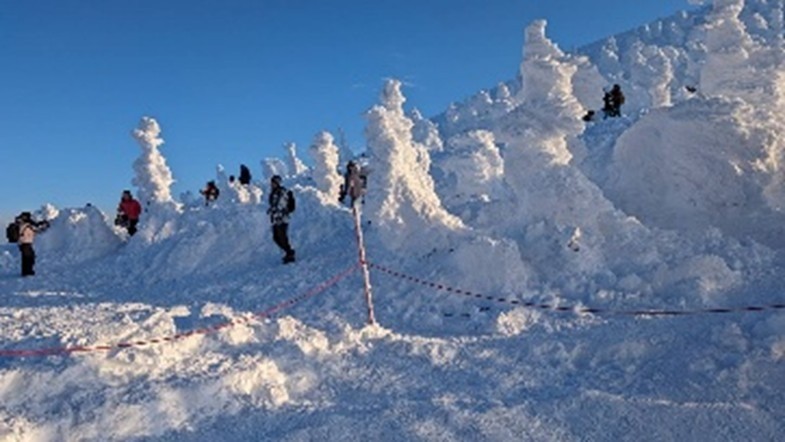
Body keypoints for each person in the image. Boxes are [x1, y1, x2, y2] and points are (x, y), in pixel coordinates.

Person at [267, 175, 296, 264]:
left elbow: (289, 205)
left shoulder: (283, 192)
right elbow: (273, 205)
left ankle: (290, 254)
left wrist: (285, 211)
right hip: (276, 218)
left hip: (282, 218)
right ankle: (288, 251)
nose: (272, 184)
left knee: (282, 236)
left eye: (273, 182)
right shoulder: (273, 193)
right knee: (276, 238)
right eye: (271, 182)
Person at [15, 212, 49, 277]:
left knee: (26, 258)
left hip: (22, 243)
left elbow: (34, 228)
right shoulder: (26, 225)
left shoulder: (21, 224)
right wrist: (45, 226)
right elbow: (36, 229)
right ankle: (28, 272)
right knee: (29, 257)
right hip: (26, 243)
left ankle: (25, 272)